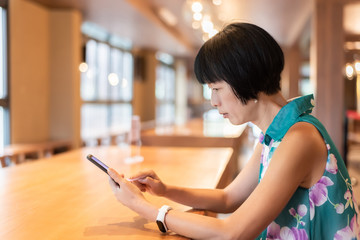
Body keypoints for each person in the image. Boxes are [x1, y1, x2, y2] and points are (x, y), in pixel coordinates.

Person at [107, 22, 359, 239]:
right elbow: (229, 198)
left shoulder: (298, 138)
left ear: (245, 77)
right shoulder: (275, 135)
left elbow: (232, 233)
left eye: (216, 88)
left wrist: (146, 209)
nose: (213, 101)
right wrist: (164, 190)